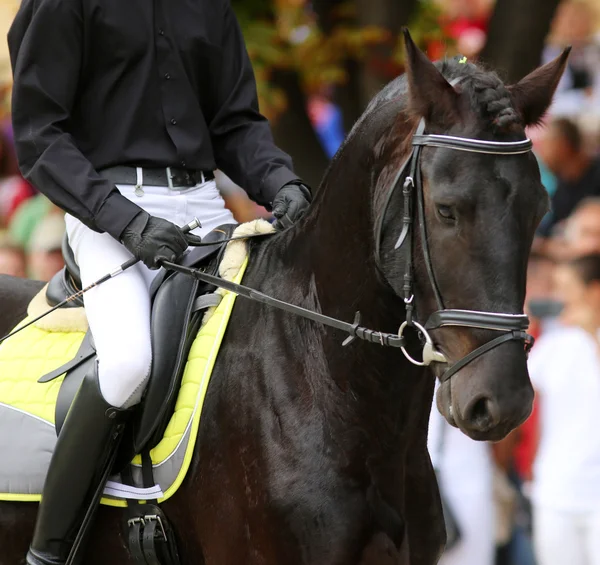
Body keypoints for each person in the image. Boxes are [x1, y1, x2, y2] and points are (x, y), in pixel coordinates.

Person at [8, 1, 312, 564]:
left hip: (202, 201)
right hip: (106, 208)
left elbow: (235, 123)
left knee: (275, 339)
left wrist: (282, 181)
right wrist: (126, 221)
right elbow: (39, 135)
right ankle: (47, 554)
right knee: (128, 365)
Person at [528, 254, 600, 565]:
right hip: (555, 495)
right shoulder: (553, 345)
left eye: (565, 287)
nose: (557, 298)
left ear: (594, 291)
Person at [535, 118, 600, 239]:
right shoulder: (562, 188)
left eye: (546, 145)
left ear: (562, 145)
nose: (541, 154)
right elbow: (548, 232)